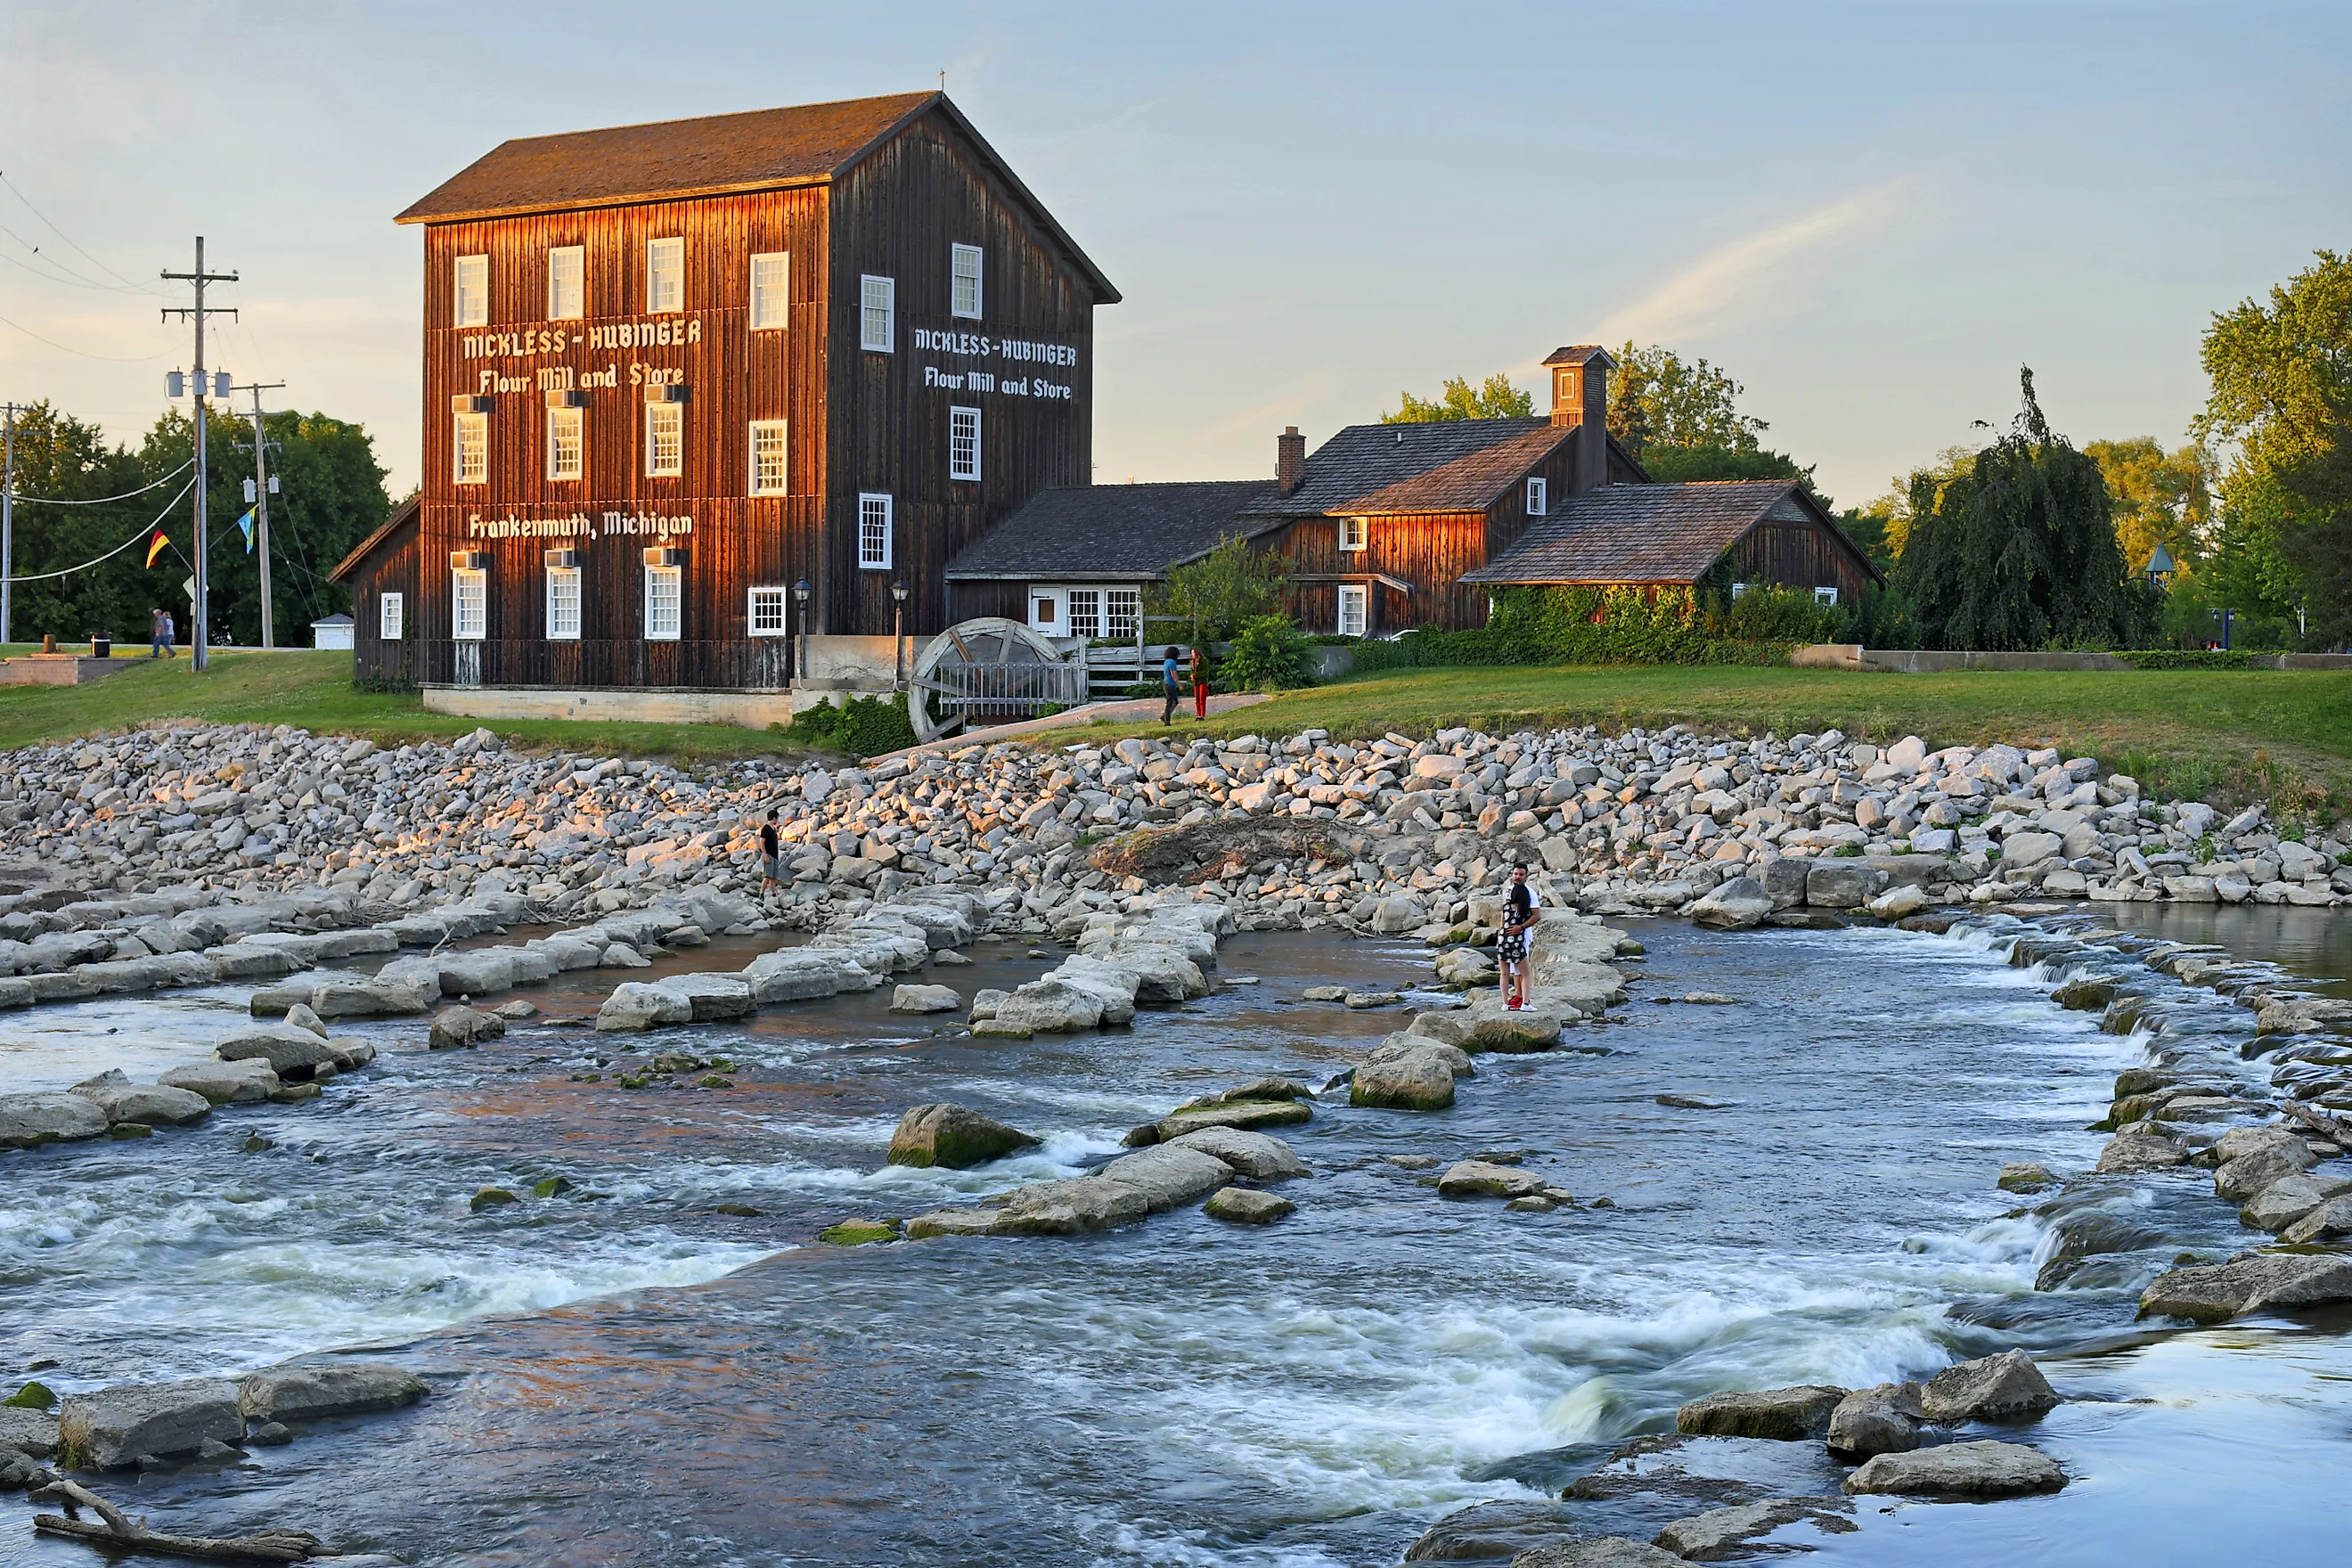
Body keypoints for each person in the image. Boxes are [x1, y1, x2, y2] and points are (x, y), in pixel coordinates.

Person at [1497, 864, 1539, 1010]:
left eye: (1521, 874)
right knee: (1518, 970)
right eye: (1515, 874)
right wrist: (1501, 928)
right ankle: (1521, 998)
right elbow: (1503, 914)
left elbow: (1536, 916)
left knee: (1515, 970)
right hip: (1510, 938)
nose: (1518, 877)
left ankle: (1509, 1001)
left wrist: (1520, 928)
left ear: (1526, 875)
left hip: (1520, 935)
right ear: (1512, 874)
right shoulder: (1508, 891)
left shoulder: (1531, 894)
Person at [758, 810, 783, 893]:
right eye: (777, 818)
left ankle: (773, 893)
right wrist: (765, 855)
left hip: (775, 854)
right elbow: (761, 842)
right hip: (769, 854)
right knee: (768, 876)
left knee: (774, 877)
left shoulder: (774, 829)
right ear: (774, 818)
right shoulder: (765, 829)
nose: (777, 820)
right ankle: (761, 893)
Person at [1161, 645, 1181, 725]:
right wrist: (1179, 685)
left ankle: (1164, 717)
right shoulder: (1172, 662)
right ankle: (1167, 721)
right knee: (1170, 703)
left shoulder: (1166, 661)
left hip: (1166, 683)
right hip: (1170, 684)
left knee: (1175, 701)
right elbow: (1174, 675)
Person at [1190, 643, 1211, 721]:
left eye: (1193, 653)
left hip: (1202, 681)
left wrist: (1195, 675)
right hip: (1196, 682)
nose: (1192, 654)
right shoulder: (1193, 662)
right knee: (1197, 699)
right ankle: (1198, 714)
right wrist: (1192, 676)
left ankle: (1202, 715)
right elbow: (1192, 671)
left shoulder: (1203, 660)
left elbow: (1205, 672)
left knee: (1202, 698)